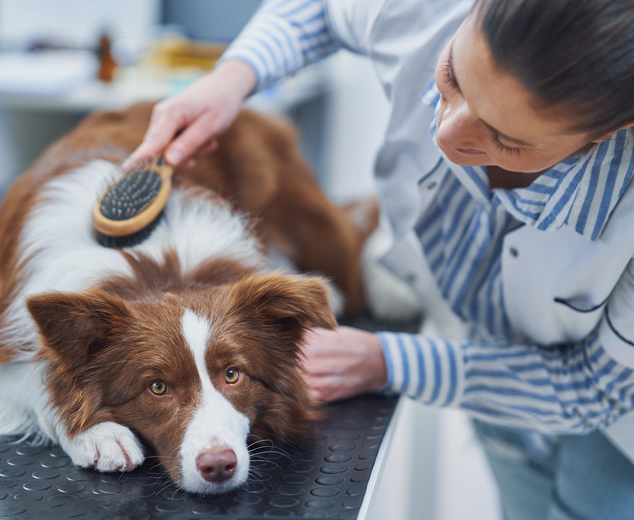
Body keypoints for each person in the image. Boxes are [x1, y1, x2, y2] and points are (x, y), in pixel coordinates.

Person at [124, 0, 634, 518]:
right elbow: (320, 9)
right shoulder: (433, 14)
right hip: (487, 351)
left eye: (505, 139)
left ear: (614, 129)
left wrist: (387, 362)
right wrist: (232, 78)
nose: (446, 135)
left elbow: (591, 385)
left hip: (616, 428)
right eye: (452, 76)